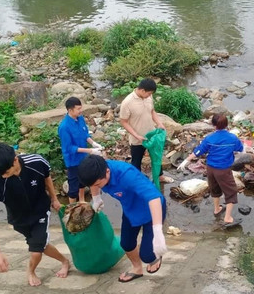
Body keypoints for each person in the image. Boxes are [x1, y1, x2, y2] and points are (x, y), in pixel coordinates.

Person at [0, 143, 70, 286]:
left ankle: (31, 271)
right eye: (0, 174)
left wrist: (54, 199)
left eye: (6, 172)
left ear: (15, 160)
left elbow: (47, 177)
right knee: (42, 245)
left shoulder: (36, 161)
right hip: (18, 218)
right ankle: (65, 261)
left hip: (41, 210)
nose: (3, 176)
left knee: (36, 250)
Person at [78, 155, 168, 283]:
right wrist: (96, 197)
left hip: (152, 210)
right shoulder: (96, 170)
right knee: (126, 243)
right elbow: (93, 183)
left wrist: (158, 231)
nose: (97, 186)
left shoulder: (127, 175)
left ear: (107, 171)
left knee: (148, 255)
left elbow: (154, 199)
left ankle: (153, 250)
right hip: (130, 208)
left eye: (98, 184)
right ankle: (137, 268)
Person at [178, 114, 244, 228]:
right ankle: (228, 217)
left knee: (214, 188)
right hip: (223, 169)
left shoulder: (209, 138)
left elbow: (199, 151)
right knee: (231, 191)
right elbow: (240, 148)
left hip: (210, 168)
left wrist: (186, 160)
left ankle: (217, 209)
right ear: (226, 125)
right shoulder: (232, 138)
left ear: (213, 125)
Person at [119, 78, 173, 183]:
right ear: (142, 90)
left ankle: (160, 176)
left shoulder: (148, 97)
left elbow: (152, 111)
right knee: (136, 162)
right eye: (149, 93)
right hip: (137, 138)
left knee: (157, 157)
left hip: (152, 135)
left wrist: (159, 123)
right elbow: (124, 121)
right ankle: (137, 181)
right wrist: (136, 135)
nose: (150, 95)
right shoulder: (127, 102)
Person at [58, 96, 104, 203]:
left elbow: (84, 134)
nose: (80, 111)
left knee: (83, 181)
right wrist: (90, 151)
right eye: (78, 109)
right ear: (70, 110)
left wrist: (93, 143)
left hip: (83, 157)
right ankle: (72, 207)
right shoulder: (64, 127)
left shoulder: (80, 119)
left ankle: (82, 201)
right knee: (73, 187)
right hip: (73, 160)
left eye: (80, 108)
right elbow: (69, 148)